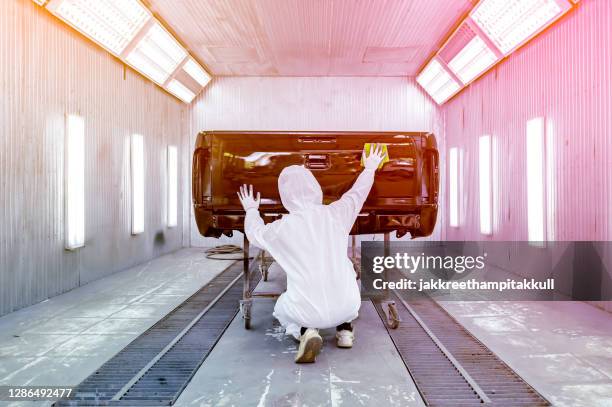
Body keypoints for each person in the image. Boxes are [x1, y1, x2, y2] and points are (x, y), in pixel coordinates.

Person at [237, 144, 386, 363]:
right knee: (345, 279)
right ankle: (345, 331)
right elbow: (357, 194)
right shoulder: (336, 213)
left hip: (307, 311)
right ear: (314, 187)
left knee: (281, 308)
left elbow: (254, 234)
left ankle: (306, 333)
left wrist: (251, 210)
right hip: (347, 303)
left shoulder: (281, 228)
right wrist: (370, 168)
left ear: (285, 194)